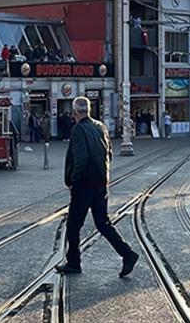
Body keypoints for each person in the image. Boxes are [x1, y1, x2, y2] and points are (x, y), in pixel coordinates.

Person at [55, 96, 139, 277]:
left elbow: (81, 159)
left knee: (73, 226)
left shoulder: (78, 130)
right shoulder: (100, 127)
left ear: (75, 112)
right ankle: (128, 254)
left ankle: (73, 262)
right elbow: (109, 154)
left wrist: (73, 179)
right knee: (103, 224)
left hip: (84, 186)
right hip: (101, 184)